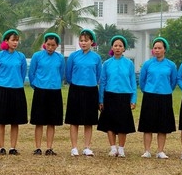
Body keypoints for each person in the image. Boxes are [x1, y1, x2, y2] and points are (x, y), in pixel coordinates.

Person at [138, 37, 177, 159]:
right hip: (149, 96)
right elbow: (142, 81)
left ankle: (160, 151)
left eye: (160, 48)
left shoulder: (171, 65)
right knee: (147, 125)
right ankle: (147, 150)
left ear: (164, 49)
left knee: (163, 125)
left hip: (165, 96)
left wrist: (165, 89)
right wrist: (148, 90)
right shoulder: (147, 64)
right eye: (155, 48)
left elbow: (173, 81)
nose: (157, 50)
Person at [98, 35, 137, 158]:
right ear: (112, 48)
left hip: (124, 96)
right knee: (110, 123)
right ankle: (113, 148)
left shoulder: (129, 64)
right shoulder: (107, 63)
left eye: (120, 46)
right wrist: (101, 99)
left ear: (124, 48)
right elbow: (102, 82)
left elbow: (133, 82)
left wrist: (133, 99)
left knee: (123, 123)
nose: (118, 48)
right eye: (115, 45)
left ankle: (121, 148)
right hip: (109, 95)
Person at [65, 29, 102, 157]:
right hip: (76, 89)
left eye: (86, 40)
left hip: (91, 90)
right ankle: (74, 147)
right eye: (81, 40)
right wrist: (75, 83)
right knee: (74, 120)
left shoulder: (96, 58)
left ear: (92, 42)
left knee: (89, 121)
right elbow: (68, 75)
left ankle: (87, 147)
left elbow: (98, 75)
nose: (83, 43)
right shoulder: (73, 56)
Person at [0, 29, 28, 155]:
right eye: (13, 40)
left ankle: (13, 147)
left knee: (15, 120)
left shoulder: (21, 57)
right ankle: (1, 147)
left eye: (17, 40)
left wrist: (16, 82)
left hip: (17, 90)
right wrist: (2, 82)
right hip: (2, 89)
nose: (15, 43)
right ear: (6, 41)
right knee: (1, 120)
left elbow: (22, 74)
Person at [28, 33, 65, 156]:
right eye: (48, 44)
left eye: (53, 45)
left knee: (51, 121)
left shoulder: (60, 58)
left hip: (54, 91)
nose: (50, 47)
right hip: (40, 90)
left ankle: (49, 147)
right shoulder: (37, 56)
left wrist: (54, 83)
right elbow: (31, 72)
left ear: (57, 46)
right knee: (39, 121)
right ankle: (38, 147)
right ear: (44, 44)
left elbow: (62, 74)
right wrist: (36, 85)